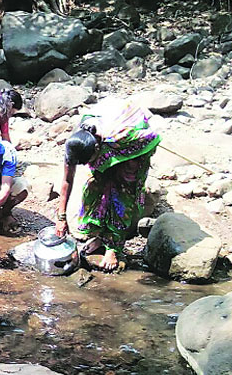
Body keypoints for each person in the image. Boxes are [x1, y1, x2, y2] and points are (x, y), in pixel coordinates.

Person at [55, 101, 161, 272]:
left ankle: (113, 248)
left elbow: (153, 138)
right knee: (93, 188)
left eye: (89, 161)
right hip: (104, 141)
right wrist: (61, 217)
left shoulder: (121, 137)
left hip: (131, 149)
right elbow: (67, 179)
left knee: (122, 193)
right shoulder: (76, 143)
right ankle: (100, 236)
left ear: (98, 149)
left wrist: (126, 164)